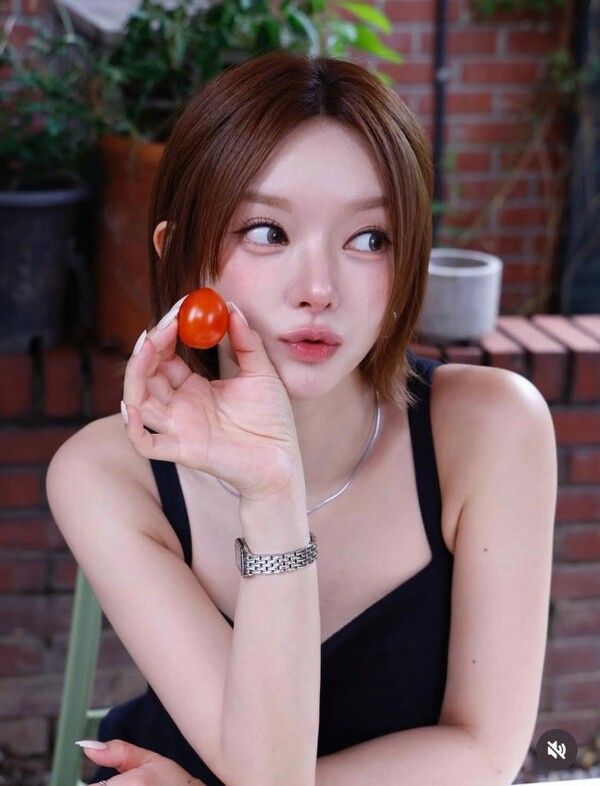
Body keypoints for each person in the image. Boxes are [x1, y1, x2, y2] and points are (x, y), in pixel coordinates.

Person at [46, 50, 558, 786]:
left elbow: (485, 754)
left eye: (369, 239)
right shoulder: (105, 470)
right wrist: (270, 491)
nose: (318, 288)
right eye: (267, 232)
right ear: (182, 258)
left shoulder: (491, 430)